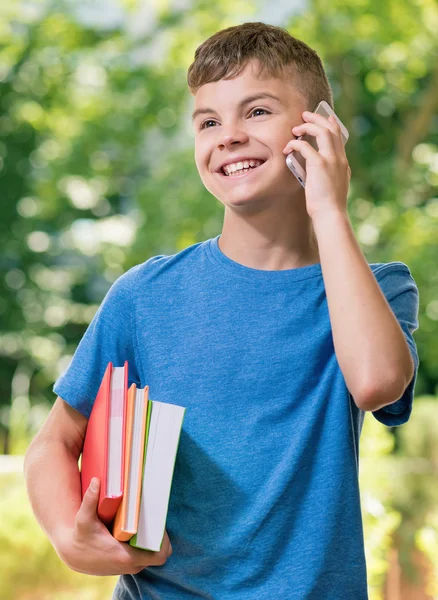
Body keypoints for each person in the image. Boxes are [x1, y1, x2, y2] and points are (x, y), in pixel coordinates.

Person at [24, 22, 419, 599]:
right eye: (208, 122)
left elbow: (377, 382)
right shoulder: (144, 295)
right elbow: (54, 443)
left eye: (256, 112)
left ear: (322, 130)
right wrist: (67, 532)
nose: (227, 136)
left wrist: (329, 210)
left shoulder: (377, 290)